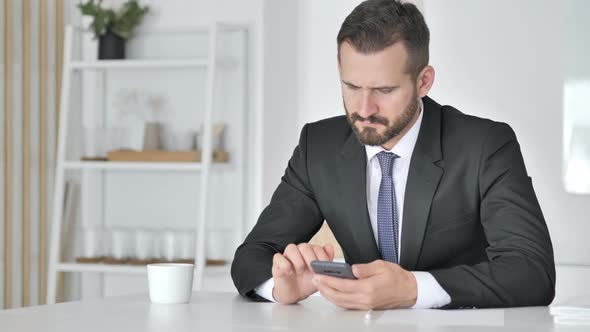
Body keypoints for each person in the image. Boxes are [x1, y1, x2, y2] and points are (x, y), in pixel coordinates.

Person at [231, 0, 555, 310]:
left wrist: (412, 289)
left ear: (423, 81)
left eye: (384, 90)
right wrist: (279, 288)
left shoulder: (485, 145)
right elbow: (252, 256)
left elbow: (532, 272)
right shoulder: (318, 146)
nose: (363, 109)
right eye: (352, 86)